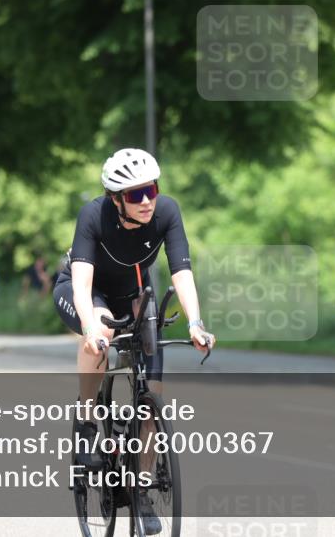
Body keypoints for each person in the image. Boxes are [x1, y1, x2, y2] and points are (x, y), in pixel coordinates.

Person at [52, 148, 214, 534]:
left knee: (153, 396)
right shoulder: (93, 215)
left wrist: (195, 323)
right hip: (84, 291)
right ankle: (88, 422)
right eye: (135, 195)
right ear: (116, 199)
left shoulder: (167, 212)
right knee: (102, 330)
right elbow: (82, 285)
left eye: (151, 190)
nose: (146, 201)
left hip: (133, 294)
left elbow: (181, 272)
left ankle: (141, 490)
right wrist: (91, 330)